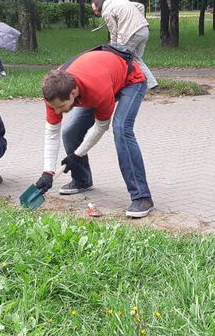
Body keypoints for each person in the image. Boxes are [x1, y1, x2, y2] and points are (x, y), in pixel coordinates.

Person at [29, 48, 153, 218]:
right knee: (70, 131)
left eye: (60, 106)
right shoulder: (53, 92)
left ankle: (142, 196)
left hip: (130, 80)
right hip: (102, 78)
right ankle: (82, 180)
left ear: (73, 94)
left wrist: (76, 155)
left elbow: (101, 127)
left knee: (121, 129)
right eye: (54, 107)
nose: (56, 111)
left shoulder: (97, 90)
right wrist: (47, 172)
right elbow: (52, 132)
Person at [91, 0, 157, 89]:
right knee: (136, 59)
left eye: (95, 10)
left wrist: (113, 48)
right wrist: (139, 21)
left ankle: (150, 83)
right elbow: (140, 6)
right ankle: (143, 82)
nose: (95, 13)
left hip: (132, 34)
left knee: (128, 58)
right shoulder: (121, 1)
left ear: (99, 7)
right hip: (144, 30)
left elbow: (113, 31)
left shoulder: (106, 12)